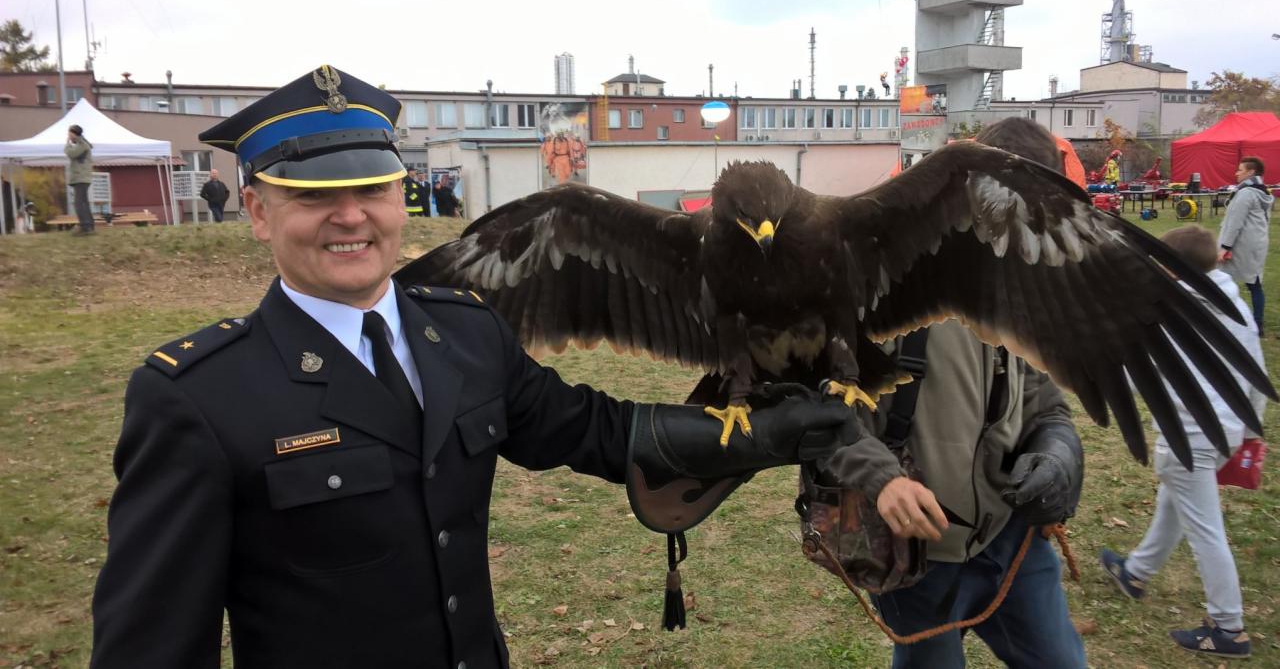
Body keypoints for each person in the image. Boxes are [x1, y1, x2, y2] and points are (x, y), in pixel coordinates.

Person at [88, 65, 856, 669]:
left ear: (402, 198)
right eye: (314, 195)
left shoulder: (462, 335)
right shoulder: (197, 397)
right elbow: (150, 648)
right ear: (257, 211)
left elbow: (594, 430)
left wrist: (763, 435)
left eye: (372, 189)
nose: (351, 215)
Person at [820, 117, 1087, 668]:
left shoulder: (1028, 284)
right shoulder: (886, 282)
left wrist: (1060, 456)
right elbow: (822, 409)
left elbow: (1045, 405)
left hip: (1014, 544)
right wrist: (883, 478)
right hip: (919, 554)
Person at [1099, 225, 1262, 660]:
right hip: (1222, 431)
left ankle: (1228, 627)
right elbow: (1255, 373)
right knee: (1176, 503)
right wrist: (1248, 431)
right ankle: (1135, 572)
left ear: (1171, 271)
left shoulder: (1171, 314)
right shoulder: (1237, 307)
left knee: (1205, 529)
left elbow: (1140, 375)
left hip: (1189, 435)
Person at [1217, 156, 1271, 336]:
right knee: (1254, 282)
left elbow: (1235, 222)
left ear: (1251, 172)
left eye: (1240, 170)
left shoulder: (1246, 193)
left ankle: (1224, 317)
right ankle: (1258, 324)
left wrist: (1225, 247)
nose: (1236, 173)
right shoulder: (1263, 192)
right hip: (1257, 243)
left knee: (1222, 278)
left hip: (1242, 244)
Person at [64, 124, 94, 235]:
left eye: (69, 134)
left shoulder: (82, 145)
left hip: (81, 178)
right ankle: (89, 226)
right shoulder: (81, 144)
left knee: (79, 203)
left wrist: (67, 144)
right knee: (84, 203)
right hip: (82, 178)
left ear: (74, 134)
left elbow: (71, 154)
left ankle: (85, 226)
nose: (68, 136)